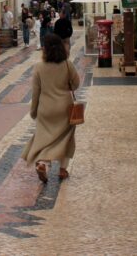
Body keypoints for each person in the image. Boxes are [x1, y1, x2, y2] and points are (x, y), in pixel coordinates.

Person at [22, 33, 80, 182]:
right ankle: (62, 169)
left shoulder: (39, 67)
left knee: (44, 139)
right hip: (64, 108)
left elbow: (36, 92)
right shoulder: (67, 64)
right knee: (66, 138)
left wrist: (33, 111)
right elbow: (76, 84)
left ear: (45, 49)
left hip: (45, 109)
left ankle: (42, 163)